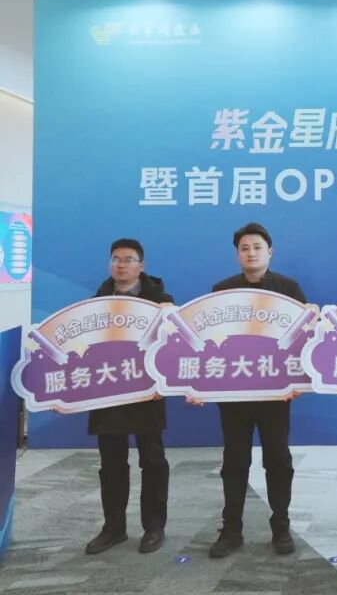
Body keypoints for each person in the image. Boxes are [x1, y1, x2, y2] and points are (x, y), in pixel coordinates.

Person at [208, 222, 306, 559]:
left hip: (275, 394)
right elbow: (212, 343)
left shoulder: (288, 289)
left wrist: (298, 381)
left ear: (270, 252)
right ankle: (231, 529)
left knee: (278, 460)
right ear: (237, 254)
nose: (251, 253)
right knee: (234, 461)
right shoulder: (222, 290)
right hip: (234, 394)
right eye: (245, 248)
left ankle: (281, 525)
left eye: (257, 247)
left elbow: (302, 340)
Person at [84, 238, 172, 555]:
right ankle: (114, 527)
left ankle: (154, 527)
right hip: (108, 393)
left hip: (146, 393)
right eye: (116, 259)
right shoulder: (96, 302)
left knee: (153, 460)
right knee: (111, 463)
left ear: (141, 266)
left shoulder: (161, 302)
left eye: (128, 259)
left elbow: (171, 347)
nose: (121, 265)